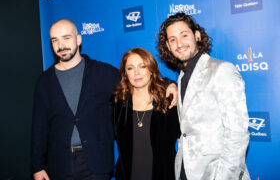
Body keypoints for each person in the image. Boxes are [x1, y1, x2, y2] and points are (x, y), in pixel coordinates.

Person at [31, 19, 178, 180]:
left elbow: (137, 79)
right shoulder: (44, 81)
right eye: (55, 40)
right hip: (60, 165)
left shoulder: (103, 73)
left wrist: (170, 84)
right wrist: (37, 166)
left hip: (97, 165)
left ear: (78, 39)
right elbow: (39, 126)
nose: (61, 45)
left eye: (66, 38)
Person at [157, 13, 250, 180]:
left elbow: (237, 133)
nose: (179, 44)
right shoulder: (181, 77)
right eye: (172, 39)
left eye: (184, 35)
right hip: (186, 172)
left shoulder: (222, 70)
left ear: (197, 35)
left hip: (216, 174)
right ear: (168, 46)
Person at [112, 47, 180, 180]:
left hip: (164, 175)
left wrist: (171, 84)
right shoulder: (118, 103)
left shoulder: (168, 101)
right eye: (130, 68)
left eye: (142, 66)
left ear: (151, 69)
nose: (136, 73)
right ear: (125, 74)